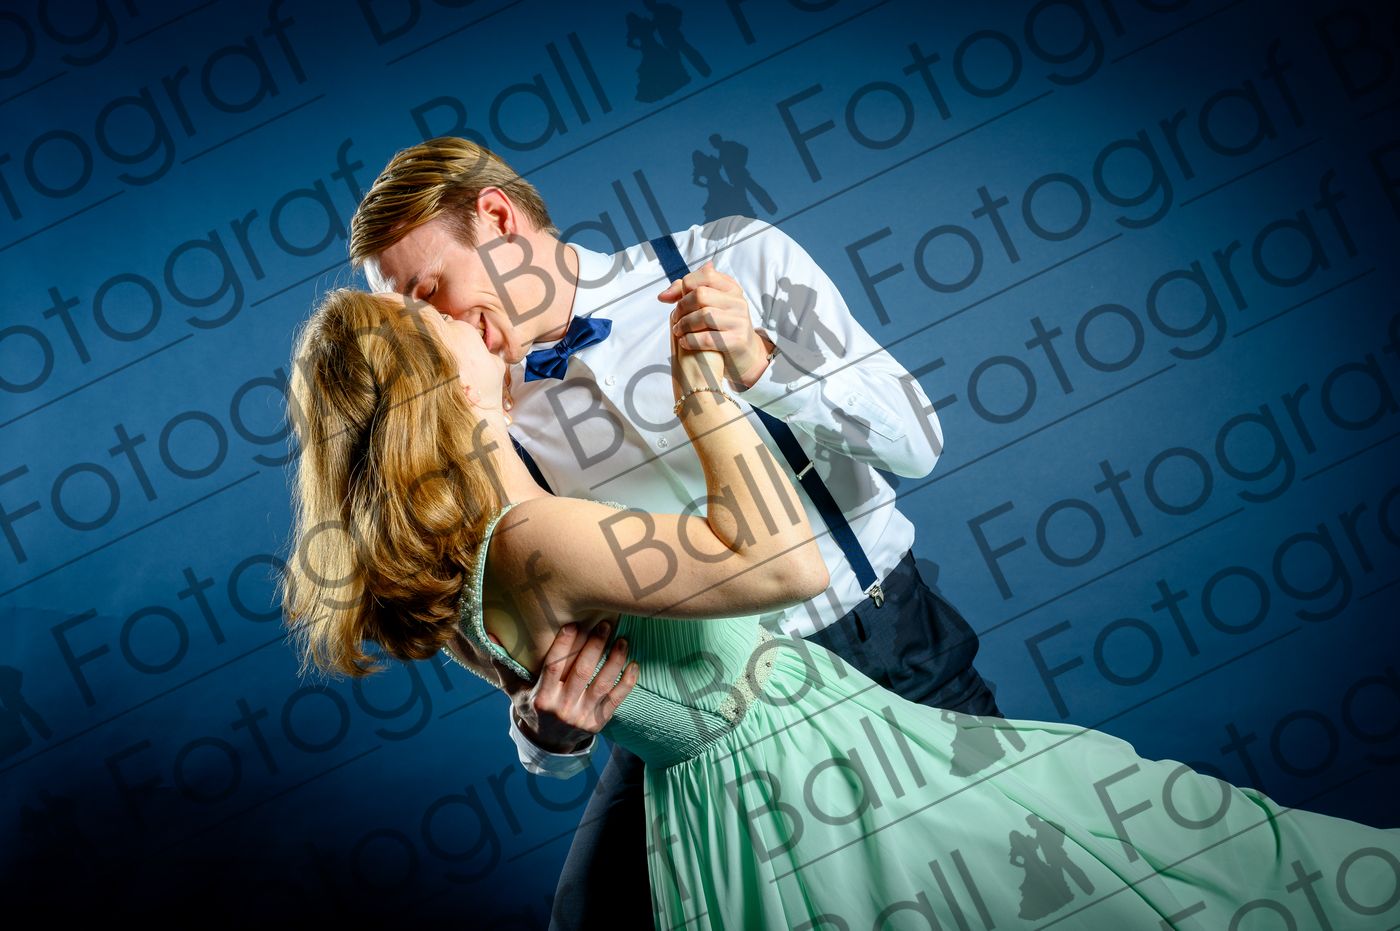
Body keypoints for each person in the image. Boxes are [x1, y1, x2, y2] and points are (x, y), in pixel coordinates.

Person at [281, 288, 1400, 930]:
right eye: (429, 317)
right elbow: (782, 561)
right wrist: (704, 392)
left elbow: (566, 661)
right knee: (1171, 867)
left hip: (808, 759)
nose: (469, 317)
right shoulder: (528, 535)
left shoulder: (477, 543)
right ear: (426, 375)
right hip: (808, 789)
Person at [345, 136, 1002, 931]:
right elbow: (513, 630)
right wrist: (545, 735)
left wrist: (764, 366)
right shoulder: (477, 406)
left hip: (884, 647)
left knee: (1007, 887)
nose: (434, 326)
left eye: (431, 290)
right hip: (700, 712)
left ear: (497, 216)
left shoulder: (736, 257)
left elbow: (917, 443)